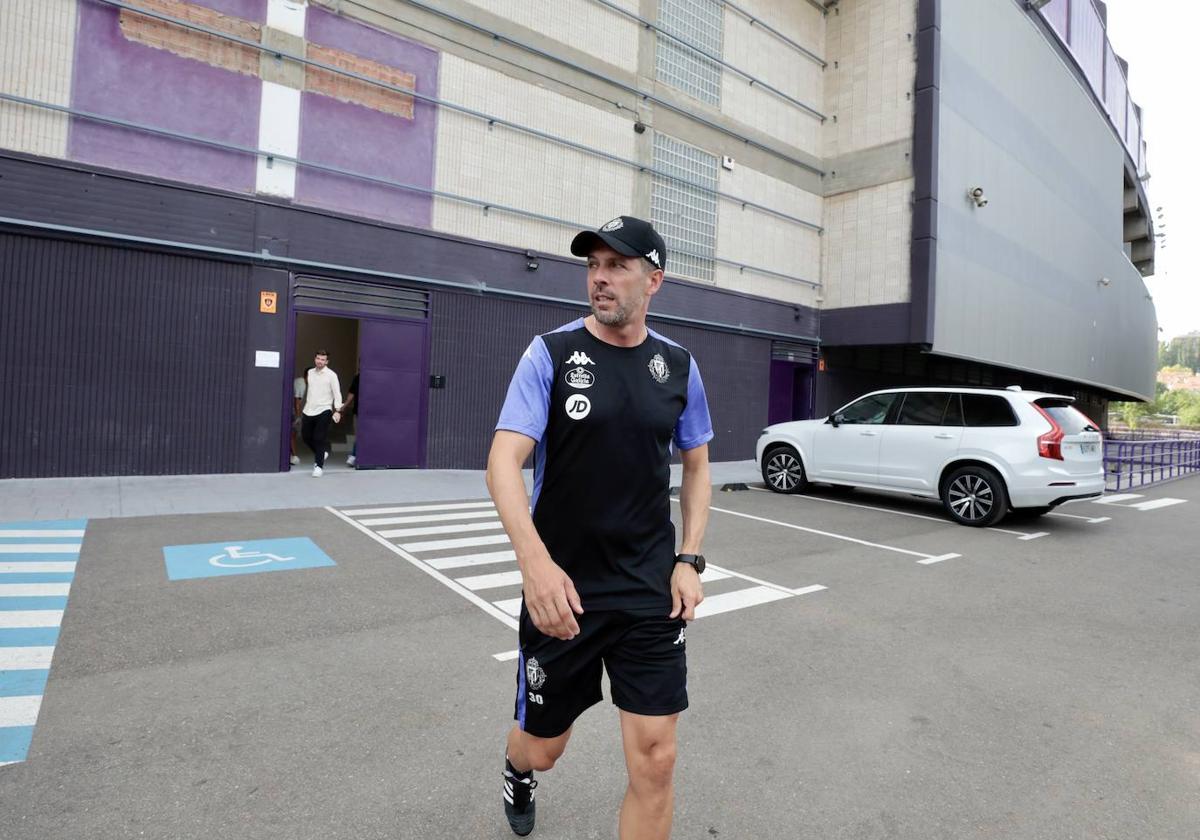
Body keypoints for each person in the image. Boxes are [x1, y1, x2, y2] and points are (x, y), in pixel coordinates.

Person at [486, 216, 714, 839]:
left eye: (617, 266)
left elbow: (696, 465)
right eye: (593, 266)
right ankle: (516, 766)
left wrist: (689, 558)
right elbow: (504, 462)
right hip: (564, 591)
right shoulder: (552, 354)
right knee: (545, 747)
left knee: (657, 760)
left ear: (654, 280)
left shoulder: (679, 366)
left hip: (648, 589)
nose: (600, 279)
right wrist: (535, 566)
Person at [300, 350, 343, 477]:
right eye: (318, 358)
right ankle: (322, 454)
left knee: (319, 438)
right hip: (308, 409)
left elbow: (337, 393)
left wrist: (338, 410)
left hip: (324, 409)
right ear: (315, 359)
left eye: (323, 359)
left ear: (327, 361)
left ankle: (318, 466)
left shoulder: (331, 375)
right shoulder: (309, 373)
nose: (320, 361)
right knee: (306, 437)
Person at [290, 367, 310, 465]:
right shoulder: (301, 384)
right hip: (291, 411)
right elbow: (296, 402)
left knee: (292, 434)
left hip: (292, 411)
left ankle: (292, 455)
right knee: (292, 434)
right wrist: (298, 417)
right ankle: (293, 456)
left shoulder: (302, 382)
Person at [342, 371, 359, 467]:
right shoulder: (357, 378)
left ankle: (353, 456)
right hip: (359, 412)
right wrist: (343, 407)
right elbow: (351, 394)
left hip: (373, 413)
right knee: (359, 435)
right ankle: (354, 456)